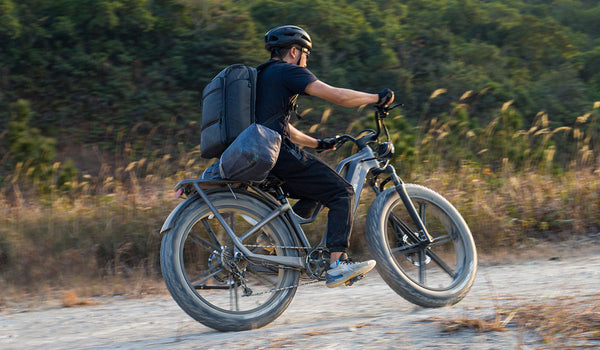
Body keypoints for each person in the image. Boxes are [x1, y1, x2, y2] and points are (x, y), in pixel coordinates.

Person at [256, 25, 394, 288]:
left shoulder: (260, 75)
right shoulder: (289, 71)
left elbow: (282, 126)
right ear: (295, 51)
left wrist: (317, 143)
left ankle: (270, 240)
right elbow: (339, 97)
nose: (306, 59)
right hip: (279, 152)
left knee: (314, 191)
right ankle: (337, 264)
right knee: (342, 192)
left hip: (259, 154)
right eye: (306, 54)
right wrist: (377, 97)